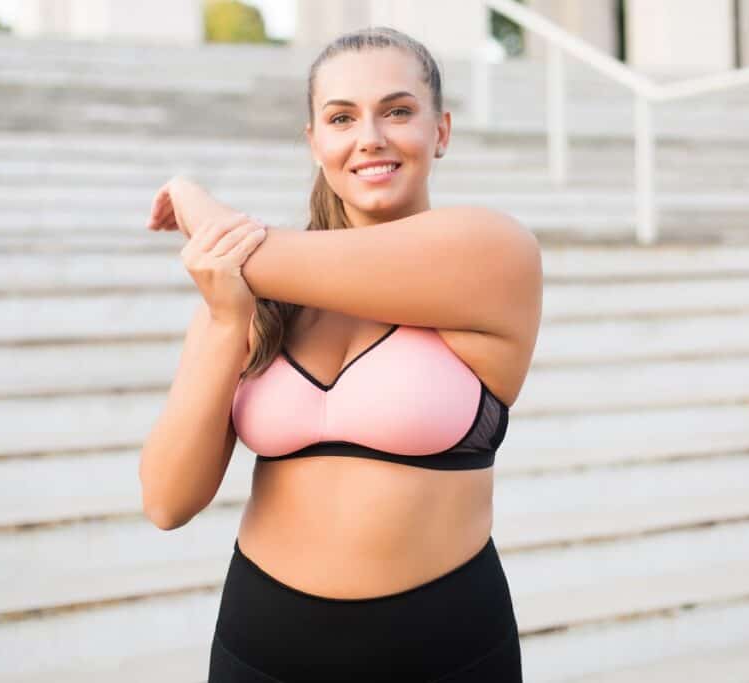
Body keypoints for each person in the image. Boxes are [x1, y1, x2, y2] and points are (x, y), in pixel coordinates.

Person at [140, 25, 542, 683]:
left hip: (444, 653)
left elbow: (249, 247)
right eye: (342, 118)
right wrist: (225, 322)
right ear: (314, 142)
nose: (371, 137)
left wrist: (191, 195)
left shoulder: (494, 251)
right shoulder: (254, 291)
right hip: (259, 649)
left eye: (398, 111)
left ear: (441, 131)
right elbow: (166, 500)